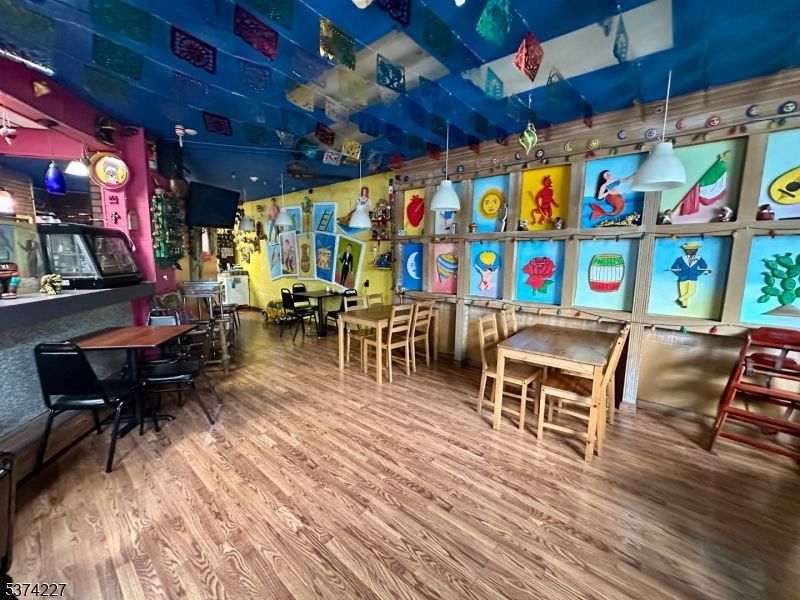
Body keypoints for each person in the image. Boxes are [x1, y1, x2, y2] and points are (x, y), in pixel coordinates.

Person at [667, 241, 712, 308]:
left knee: (692, 292)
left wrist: (697, 273)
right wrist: (680, 274)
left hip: (693, 278)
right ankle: (685, 304)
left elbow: (704, 266)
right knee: (683, 292)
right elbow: (673, 268)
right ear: (686, 250)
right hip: (682, 278)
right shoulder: (681, 259)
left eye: (693, 249)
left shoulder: (699, 258)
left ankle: (679, 299)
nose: (691, 251)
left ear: (696, 250)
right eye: (689, 250)